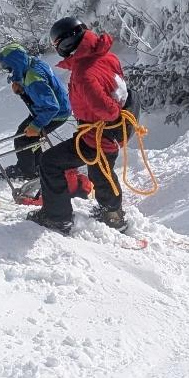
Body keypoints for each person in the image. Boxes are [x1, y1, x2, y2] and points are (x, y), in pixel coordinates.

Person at [29, 16, 132, 234]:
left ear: (66, 44)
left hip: (96, 135)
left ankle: (57, 217)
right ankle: (112, 214)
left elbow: (108, 110)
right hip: (107, 134)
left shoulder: (84, 73)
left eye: (57, 45)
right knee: (101, 172)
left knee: (50, 162)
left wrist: (105, 118)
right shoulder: (107, 56)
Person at [0, 42, 86, 209]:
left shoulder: (34, 78)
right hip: (45, 110)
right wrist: (21, 88)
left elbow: (51, 106)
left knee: (23, 139)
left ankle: (26, 171)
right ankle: (36, 167)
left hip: (53, 114)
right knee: (29, 137)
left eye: (9, 68)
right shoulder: (32, 64)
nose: (9, 71)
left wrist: (37, 125)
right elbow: (36, 89)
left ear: (16, 63)